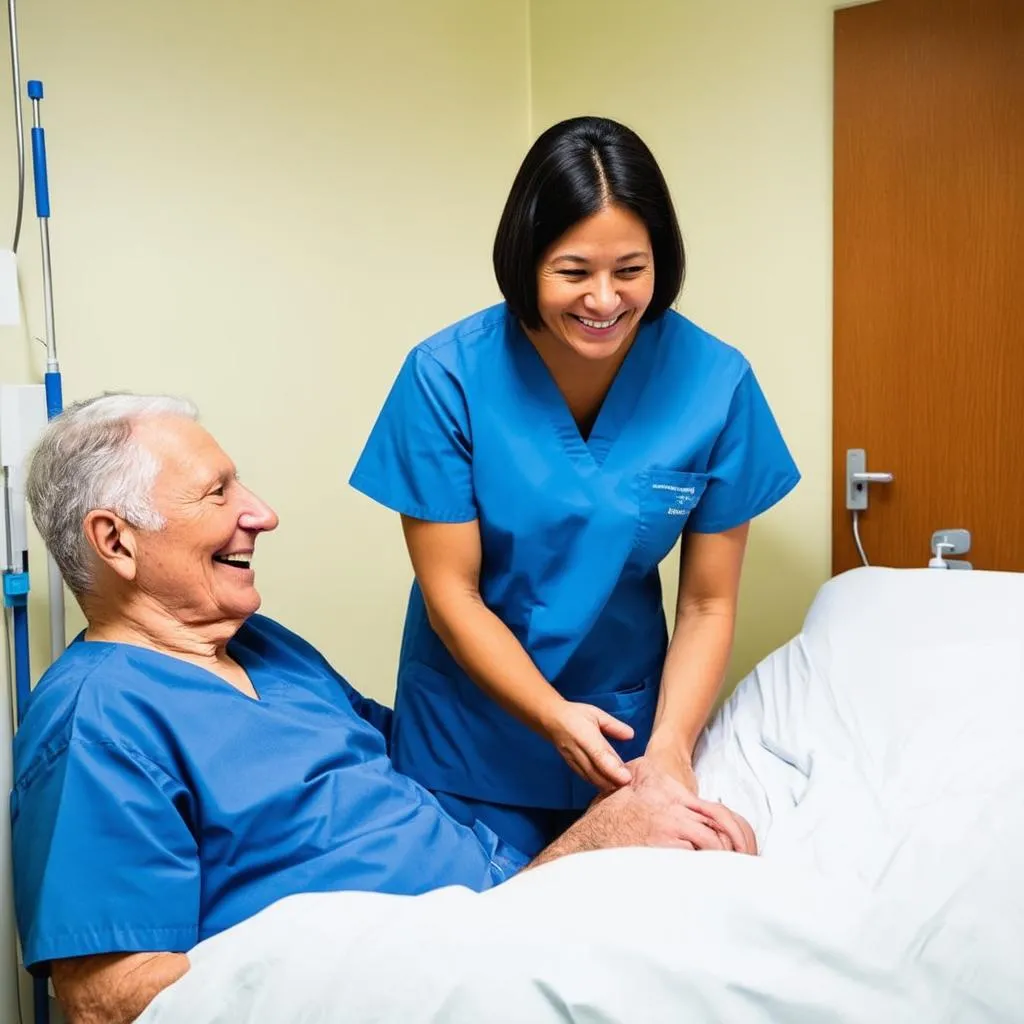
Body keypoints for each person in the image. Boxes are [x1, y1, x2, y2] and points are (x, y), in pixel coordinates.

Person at [12, 394, 756, 1024]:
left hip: (511, 906)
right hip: (441, 976)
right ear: (115, 541)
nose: (262, 514)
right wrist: (580, 856)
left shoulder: (266, 648)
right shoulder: (98, 720)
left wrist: (616, 796)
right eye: (218, 493)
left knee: (735, 907)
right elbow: (109, 1001)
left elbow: (414, 760)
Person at [349, 115, 801, 857]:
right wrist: (554, 715)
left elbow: (708, 600)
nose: (603, 301)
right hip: (472, 736)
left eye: (630, 270)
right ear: (527, 262)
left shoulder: (716, 383)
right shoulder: (447, 377)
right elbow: (451, 594)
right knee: (472, 936)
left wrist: (672, 749)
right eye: (573, 272)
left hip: (630, 736)